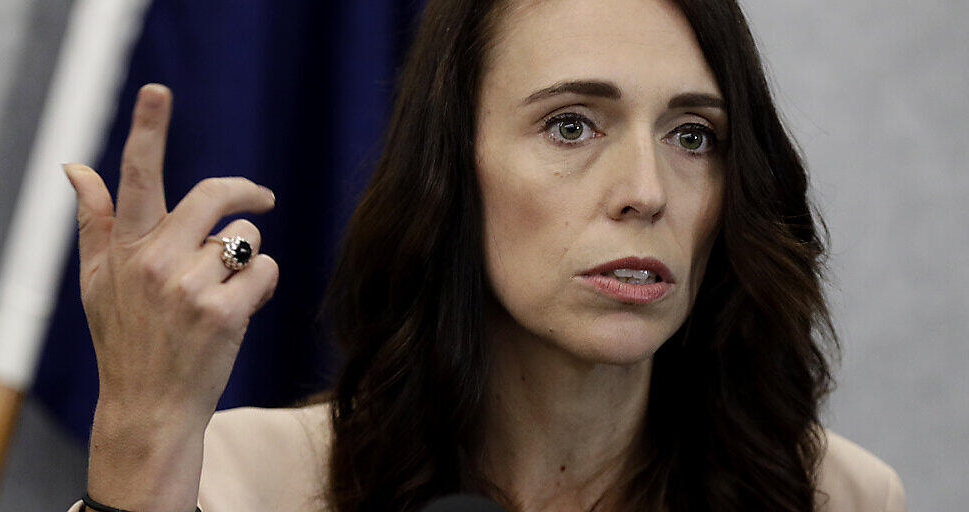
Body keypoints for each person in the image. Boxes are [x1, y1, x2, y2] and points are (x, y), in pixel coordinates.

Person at [62, 0, 908, 510]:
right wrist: (143, 428)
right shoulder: (241, 483)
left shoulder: (838, 497)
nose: (647, 191)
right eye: (571, 125)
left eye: (693, 135)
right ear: (452, 173)